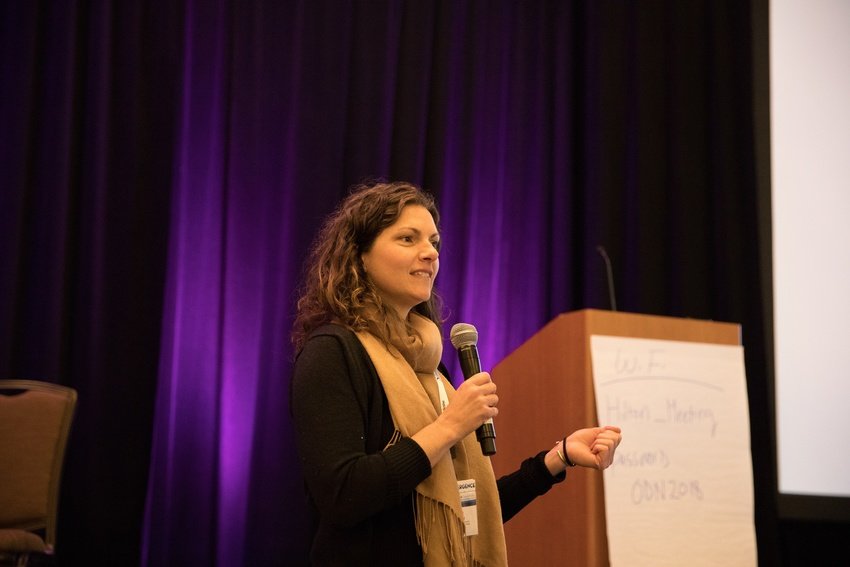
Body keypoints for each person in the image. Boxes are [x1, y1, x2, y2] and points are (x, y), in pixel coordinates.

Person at [290, 181, 622, 566]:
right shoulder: (332, 352)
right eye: (407, 238)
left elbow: (467, 512)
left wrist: (557, 458)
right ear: (359, 255)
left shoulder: (429, 364)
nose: (430, 252)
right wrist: (450, 426)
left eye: (433, 242)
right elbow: (343, 496)